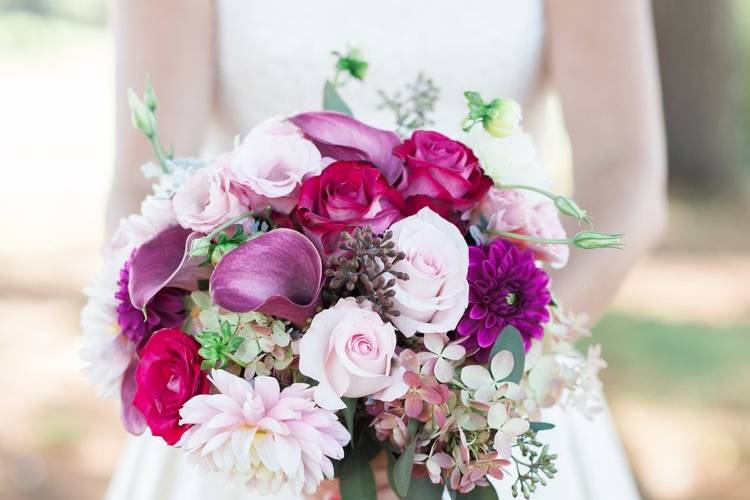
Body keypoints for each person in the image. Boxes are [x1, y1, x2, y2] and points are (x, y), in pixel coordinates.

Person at [104, 1, 666, 499]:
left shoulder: (484, 389)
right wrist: (244, 377)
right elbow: (140, 187)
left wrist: (469, 394)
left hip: (489, 391)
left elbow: (628, 173)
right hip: (253, 413)